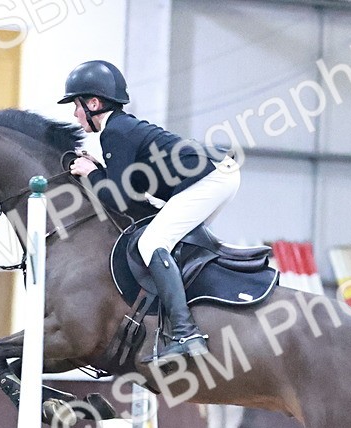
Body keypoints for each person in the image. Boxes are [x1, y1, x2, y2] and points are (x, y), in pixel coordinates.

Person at [60, 59, 241, 366]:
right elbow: (129, 192)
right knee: (172, 246)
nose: (75, 114)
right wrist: (99, 169)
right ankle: (187, 322)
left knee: (151, 244)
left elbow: (116, 198)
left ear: (93, 103)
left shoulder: (114, 132)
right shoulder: (120, 130)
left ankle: (185, 333)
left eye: (76, 106)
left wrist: (91, 173)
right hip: (215, 175)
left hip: (210, 178)